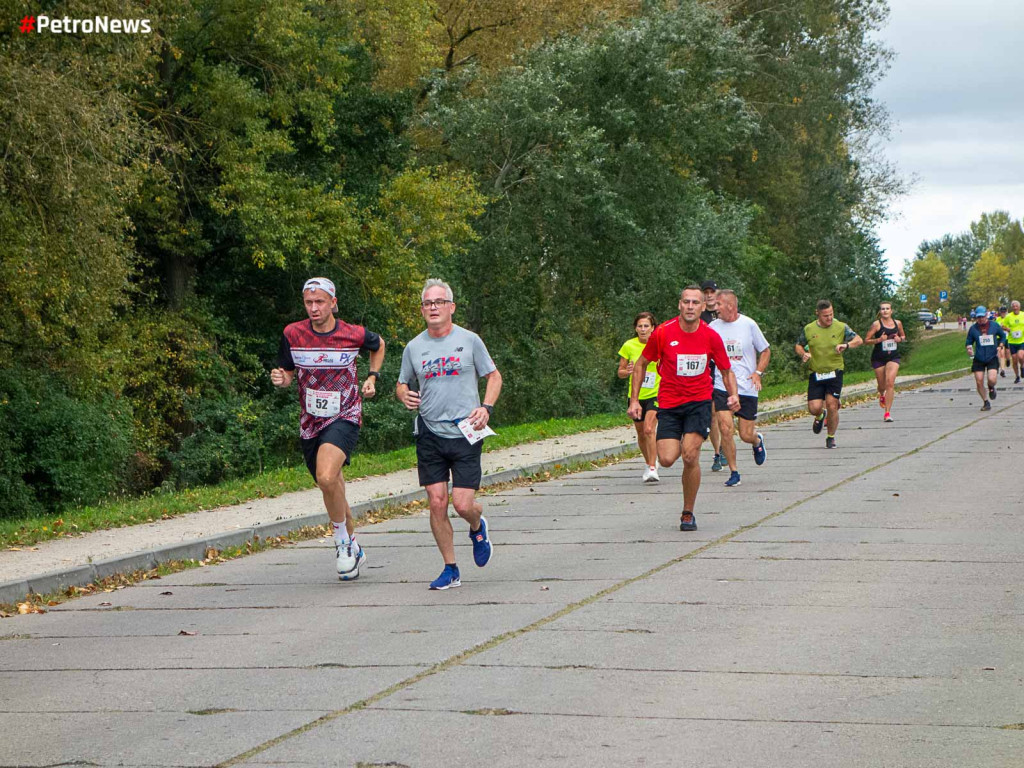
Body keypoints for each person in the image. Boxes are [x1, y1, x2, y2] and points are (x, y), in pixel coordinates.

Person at [271, 277, 385, 581]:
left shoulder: (352, 333)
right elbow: (287, 372)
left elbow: (378, 344)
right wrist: (282, 380)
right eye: (309, 303)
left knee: (325, 475)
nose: (314, 308)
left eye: (320, 302)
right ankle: (355, 547)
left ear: (333, 303)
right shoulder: (292, 333)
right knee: (330, 485)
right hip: (310, 422)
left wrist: (372, 377)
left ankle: (341, 544)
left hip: (345, 414)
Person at [397, 278, 502, 590]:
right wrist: (403, 394)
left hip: (467, 430)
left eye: (439, 302)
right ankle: (450, 568)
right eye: (427, 303)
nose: (432, 307)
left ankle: (477, 525)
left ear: (451, 307)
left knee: (462, 504)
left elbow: (494, 376)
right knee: (437, 501)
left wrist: (486, 407)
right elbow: (402, 382)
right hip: (429, 432)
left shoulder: (469, 341)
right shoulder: (413, 347)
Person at [628, 285, 739, 532]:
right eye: (686, 302)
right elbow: (641, 364)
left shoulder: (710, 336)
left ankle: (688, 512)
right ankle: (679, 444)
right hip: (668, 403)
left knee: (690, 455)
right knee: (667, 459)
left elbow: (725, 369)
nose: (690, 306)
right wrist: (635, 400)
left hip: (698, 403)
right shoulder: (663, 333)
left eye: (695, 303)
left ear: (702, 307)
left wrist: (733, 395)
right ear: (680, 304)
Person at [708, 290, 770, 487]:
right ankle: (734, 471)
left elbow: (766, 350)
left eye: (718, 304)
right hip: (722, 384)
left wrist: (757, 373)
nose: (715, 308)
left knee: (745, 434)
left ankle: (757, 441)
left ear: (730, 306)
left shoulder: (748, 324)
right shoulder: (713, 327)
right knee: (725, 427)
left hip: (746, 386)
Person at [795, 300, 863, 449]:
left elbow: (859, 340)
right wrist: (803, 354)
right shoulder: (809, 329)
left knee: (832, 405)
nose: (829, 318)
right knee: (814, 408)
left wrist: (846, 345)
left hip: (835, 371)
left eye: (831, 314)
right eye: (826, 315)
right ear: (818, 314)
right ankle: (820, 415)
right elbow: (798, 345)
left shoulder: (840, 327)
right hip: (816, 373)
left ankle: (830, 437)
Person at [618, 312, 661, 482]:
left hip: (655, 393)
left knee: (649, 429)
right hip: (635, 396)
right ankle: (650, 461)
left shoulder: (659, 343)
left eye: (646, 326)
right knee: (641, 433)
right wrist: (627, 371)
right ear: (635, 328)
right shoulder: (629, 346)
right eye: (640, 326)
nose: (643, 329)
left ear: (653, 328)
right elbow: (620, 372)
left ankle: (652, 468)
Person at [864, 301, 906, 422]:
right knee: (882, 386)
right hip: (878, 358)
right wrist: (879, 340)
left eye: (887, 308)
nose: (885, 311)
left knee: (890, 383)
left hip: (893, 356)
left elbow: (903, 336)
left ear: (891, 311)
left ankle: (887, 413)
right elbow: (866, 340)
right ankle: (882, 394)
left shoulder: (898, 323)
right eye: (883, 309)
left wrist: (899, 339)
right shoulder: (876, 325)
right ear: (880, 312)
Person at [700, 280, 725, 473]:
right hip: (707, 369)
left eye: (712, 291)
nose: (709, 295)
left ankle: (725, 444)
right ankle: (718, 453)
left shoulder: (726, 313)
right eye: (705, 292)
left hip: (725, 367)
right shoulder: (698, 316)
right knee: (713, 414)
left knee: (725, 412)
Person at [966, 305, 1007, 411]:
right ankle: (985, 401)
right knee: (979, 381)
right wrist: (969, 348)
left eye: (982, 317)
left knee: (992, 379)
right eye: (978, 317)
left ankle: (991, 387)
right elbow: (969, 341)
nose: (980, 319)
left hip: (992, 356)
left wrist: (1000, 345)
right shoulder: (973, 329)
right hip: (979, 358)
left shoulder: (994, 326)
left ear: (986, 316)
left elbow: (1003, 336)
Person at [1000, 300, 1024, 383]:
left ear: (1019, 307)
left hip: (1022, 340)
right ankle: (1017, 376)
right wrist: (1007, 329)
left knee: (1021, 356)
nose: (1015, 308)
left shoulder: (1023, 315)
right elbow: (1002, 326)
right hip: (1012, 341)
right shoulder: (1008, 316)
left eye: (1016, 306)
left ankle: (1022, 366)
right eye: (1013, 306)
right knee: (1014, 360)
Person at [996, 306, 1010, 377]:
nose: (1003, 313)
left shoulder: (1009, 319)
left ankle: (1008, 360)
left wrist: (1005, 328)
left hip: (1008, 338)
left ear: (1006, 312)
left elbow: (1011, 328)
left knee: (1007, 353)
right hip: (1000, 338)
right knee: (1001, 353)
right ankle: (1002, 370)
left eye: (1004, 312)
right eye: (1002, 312)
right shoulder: (997, 319)